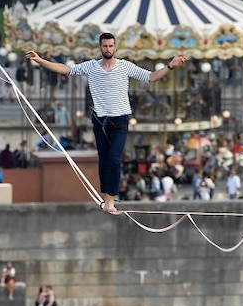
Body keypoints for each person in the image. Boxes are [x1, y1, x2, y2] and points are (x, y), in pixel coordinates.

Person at [26, 32, 187, 214]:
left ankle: (110, 200)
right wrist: (40, 60)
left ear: (115, 47)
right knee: (103, 160)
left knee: (114, 159)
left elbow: (151, 77)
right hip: (100, 120)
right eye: (105, 46)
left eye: (111, 46)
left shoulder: (125, 66)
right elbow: (65, 69)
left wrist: (170, 66)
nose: (108, 49)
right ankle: (105, 198)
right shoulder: (91, 66)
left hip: (120, 119)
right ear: (100, 47)